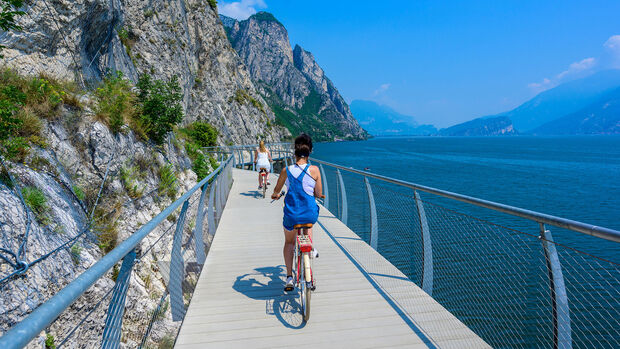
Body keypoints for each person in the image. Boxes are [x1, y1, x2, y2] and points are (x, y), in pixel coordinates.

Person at [271, 134, 322, 291]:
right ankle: (310, 252)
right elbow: (318, 194)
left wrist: (276, 195)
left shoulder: (286, 171)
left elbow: (276, 190)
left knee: (290, 243)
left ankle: (289, 278)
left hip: (292, 216)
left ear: (294, 153)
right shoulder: (314, 170)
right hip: (309, 215)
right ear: (309, 153)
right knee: (311, 214)